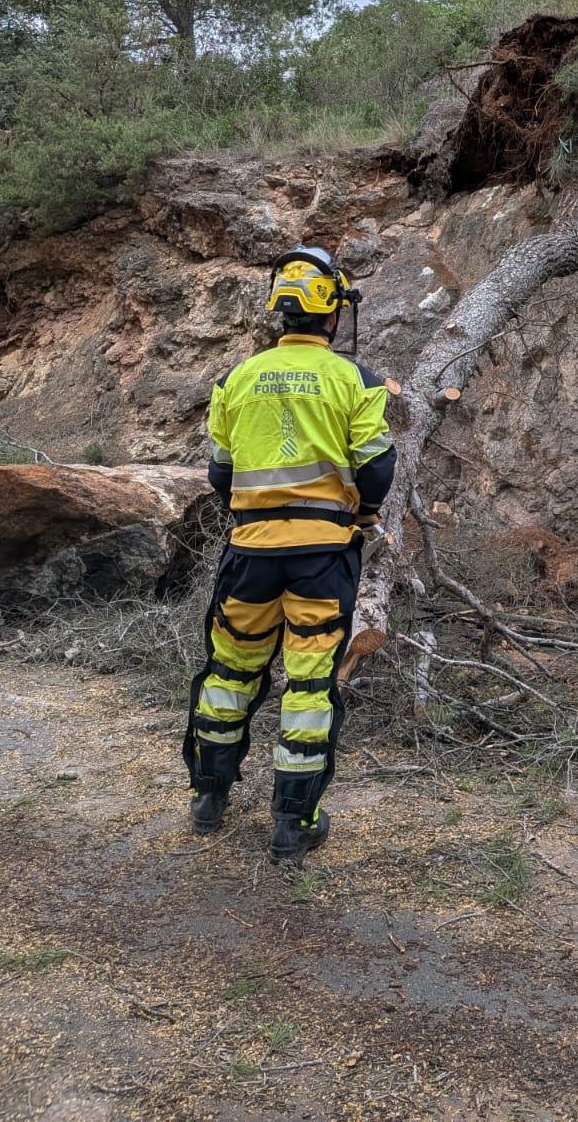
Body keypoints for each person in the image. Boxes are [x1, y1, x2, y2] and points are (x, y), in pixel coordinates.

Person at [182, 245, 396, 863]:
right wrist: (359, 511)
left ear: (280, 309)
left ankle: (208, 798)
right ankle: (291, 823)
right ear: (332, 311)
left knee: (228, 674)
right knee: (308, 682)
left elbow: (221, 476)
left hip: (249, 553)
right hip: (322, 557)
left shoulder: (236, 379)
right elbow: (377, 469)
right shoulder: (355, 379)